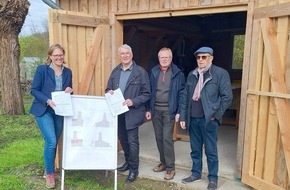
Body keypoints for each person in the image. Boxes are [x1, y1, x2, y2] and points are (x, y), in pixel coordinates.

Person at [179, 47, 233, 190]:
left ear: (211, 58)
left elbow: (227, 97)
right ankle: (196, 173)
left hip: (209, 120)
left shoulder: (220, 74)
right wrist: (183, 116)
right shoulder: (192, 74)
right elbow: (185, 97)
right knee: (195, 149)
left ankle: (213, 179)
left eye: (204, 57)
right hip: (193, 118)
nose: (201, 60)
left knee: (211, 150)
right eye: (198, 57)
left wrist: (216, 115)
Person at [105, 44, 151, 183]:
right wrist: (109, 92)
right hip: (118, 113)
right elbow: (108, 89)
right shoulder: (115, 71)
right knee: (123, 140)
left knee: (132, 142)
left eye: (127, 53)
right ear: (120, 56)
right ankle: (127, 162)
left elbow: (147, 94)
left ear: (131, 55)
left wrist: (134, 101)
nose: (125, 56)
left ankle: (133, 169)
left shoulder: (140, 72)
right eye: (122, 54)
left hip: (133, 113)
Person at [30, 44, 73, 189]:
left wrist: (69, 90)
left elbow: (68, 92)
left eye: (61, 54)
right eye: (56, 55)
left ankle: (50, 169)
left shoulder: (68, 72)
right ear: (50, 56)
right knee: (51, 141)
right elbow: (34, 90)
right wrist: (48, 100)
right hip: (44, 110)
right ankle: (49, 175)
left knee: (53, 141)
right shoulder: (42, 70)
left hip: (59, 111)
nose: (59, 57)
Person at [145, 47, 185, 180]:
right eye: (162, 57)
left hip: (169, 110)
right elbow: (149, 91)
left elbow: (181, 93)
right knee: (158, 137)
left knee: (167, 138)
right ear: (159, 58)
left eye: (167, 57)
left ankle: (170, 168)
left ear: (171, 58)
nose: (164, 59)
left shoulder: (178, 73)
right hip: (155, 109)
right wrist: (148, 109)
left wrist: (179, 111)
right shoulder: (153, 71)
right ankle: (163, 162)